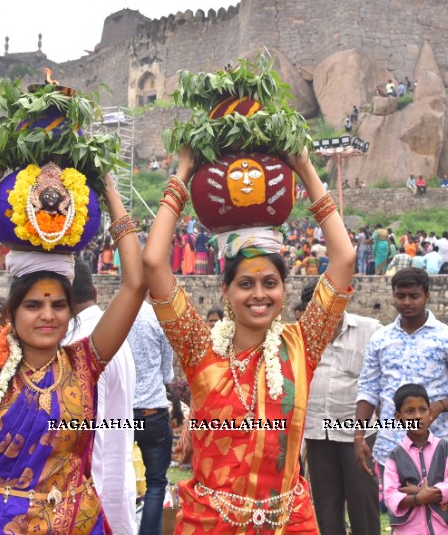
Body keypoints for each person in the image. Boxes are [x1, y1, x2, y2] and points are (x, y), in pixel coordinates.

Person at [142, 146, 356, 533]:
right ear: (227, 292)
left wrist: (305, 168)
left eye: (269, 283)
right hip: (212, 524)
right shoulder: (199, 348)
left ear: (284, 290)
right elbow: (154, 263)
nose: (259, 294)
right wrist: (183, 174)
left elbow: (344, 259)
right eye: (246, 284)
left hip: (288, 523)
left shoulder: (301, 344)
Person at [0, 156, 145, 533]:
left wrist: (108, 189)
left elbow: (135, 283)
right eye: (34, 305)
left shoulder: (85, 362)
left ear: (72, 312)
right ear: (12, 311)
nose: (48, 315)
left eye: (58, 305)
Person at [356, 268, 448, 513]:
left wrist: (440, 407)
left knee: (434, 518)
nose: (407, 302)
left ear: (427, 295)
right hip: (390, 445)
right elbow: (368, 389)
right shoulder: (380, 339)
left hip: (434, 446)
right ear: (393, 296)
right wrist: (358, 436)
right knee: (398, 516)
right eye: (400, 296)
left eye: (414, 296)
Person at [61, 258, 138, 535]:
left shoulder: (78, 346)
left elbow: (83, 438)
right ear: (94, 292)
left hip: (90, 497)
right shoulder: (114, 337)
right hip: (115, 488)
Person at [302, 277, 381, 535]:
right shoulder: (301, 336)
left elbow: (382, 380)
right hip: (317, 434)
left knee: (363, 504)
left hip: (356, 435)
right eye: (317, 308)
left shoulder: (370, 329)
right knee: (326, 507)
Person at [382, 383, 448, 535]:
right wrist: (419, 498)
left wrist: (420, 492)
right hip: (409, 530)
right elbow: (390, 496)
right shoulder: (394, 457)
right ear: (398, 417)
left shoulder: (445, 449)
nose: (417, 416)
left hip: (446, 529)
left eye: (423, 409)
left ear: (431, 413)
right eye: (410, 411)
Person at [126, 301, 175, 535]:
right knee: (156, 482)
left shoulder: (114, 315)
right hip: (153, 411)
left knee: (117, 474)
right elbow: (167, 373)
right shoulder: (157, 318)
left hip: (122, 412)